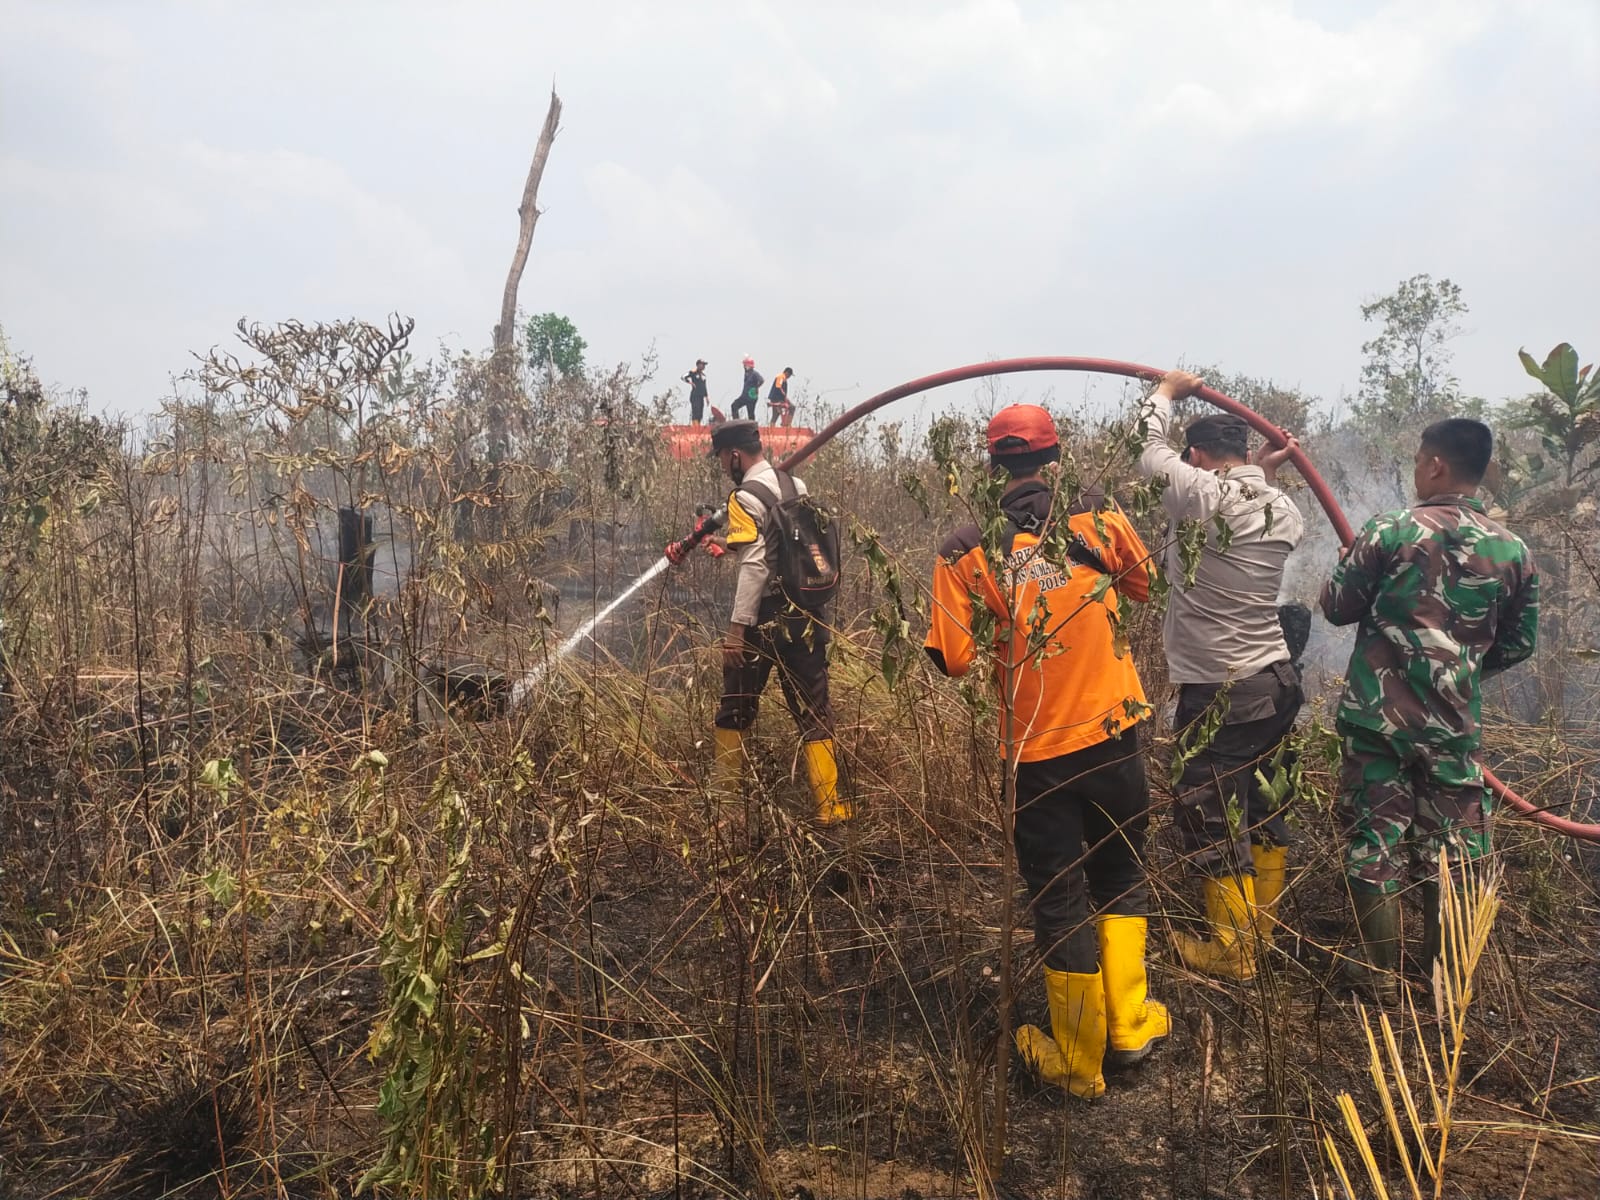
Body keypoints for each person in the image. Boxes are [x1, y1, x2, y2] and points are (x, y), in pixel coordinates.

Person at [925, 404, 1168, 1100]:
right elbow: (1143, 586)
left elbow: (954, 659)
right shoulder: (1100, 513)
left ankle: (1078, 1062)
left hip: (1035, 752)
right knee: (1121, 872)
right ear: (1055, 455)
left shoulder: (962, 549)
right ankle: (1129, 1028)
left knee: (1060, 897)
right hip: (1117, 732)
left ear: (991, 466)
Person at [1321, 417, 1537, 1000]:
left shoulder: (1390, 529)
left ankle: (1379, 979)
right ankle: (1443, 980)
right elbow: (1520, 643)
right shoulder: (1514, 549)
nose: (1416, 469)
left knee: (1375, 840)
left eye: (1419, 459)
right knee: (1456, 846)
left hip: (1377, 723)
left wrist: (1349, 564)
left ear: (1436, 465)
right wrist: (1458, 672)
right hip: (1452, 726)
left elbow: (1337, 607)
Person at [1135, 370, 1306, 981]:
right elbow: (1248, 501)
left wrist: (1164, 396)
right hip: (1276, 677)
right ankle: (1260, 932)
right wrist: (1266, 471)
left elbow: (1145, 451)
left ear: (1200, 457)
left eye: (1193, 459)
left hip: (1223, 688)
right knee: (1263, 799)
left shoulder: (1202, 492)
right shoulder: (1282, 504)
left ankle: (1233, 955)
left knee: (1207, 803)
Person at [708, 420, 851, 824]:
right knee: (814, 709)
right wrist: (724, 544)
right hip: (805, 615)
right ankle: (829, 808)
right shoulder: (797, 487)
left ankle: (726, 808)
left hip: (764, 617)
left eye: (722, 458)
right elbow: (779, 543)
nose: (722, 466)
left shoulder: (742, 496)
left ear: (735, 454)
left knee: (735, 706)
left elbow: (755, 563)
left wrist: (737, 632)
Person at [730, 356, 763, 421]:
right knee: (734, 405)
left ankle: (752, 427)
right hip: (744, 396)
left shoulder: (754, 373)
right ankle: (736, 422)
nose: (744, 367)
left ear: (748, 365)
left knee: (750, 413)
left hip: (751, 397)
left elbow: (761, 380)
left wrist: (756, 387)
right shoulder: (747, 374)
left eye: (745, 365)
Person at [683, 358, 709, 426]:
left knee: (700, 413)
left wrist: (706, 397)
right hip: (695, 395)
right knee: (696, 411)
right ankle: (695, 427)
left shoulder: (703, 376)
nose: (703, 366)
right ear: (698, 365)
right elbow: (683, 377)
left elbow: (704, 386)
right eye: (702, 364)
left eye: (704, 365)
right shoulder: (693, 372)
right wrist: (690, 382)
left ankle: (698, 426)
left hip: (701, 396)